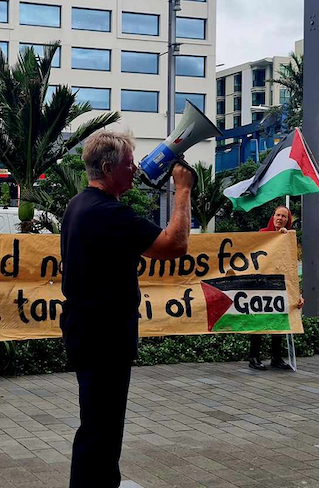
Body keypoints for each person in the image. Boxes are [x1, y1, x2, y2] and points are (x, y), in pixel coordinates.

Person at [61, 131, 193, 487]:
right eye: (129, 164)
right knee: (102, 434)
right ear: (107, 168)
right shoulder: (109, 213)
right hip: (105, 337)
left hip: (85, 332)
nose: (135, 170)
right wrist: (182, 190)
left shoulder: (78, 206)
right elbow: (175, 245)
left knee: (96, 427)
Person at [248, 205, 304, 370]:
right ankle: (254, 357)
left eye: (283, 216)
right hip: (261, 286)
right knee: (258, 321)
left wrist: (297, 294)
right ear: (273, 217)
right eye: (277, 215)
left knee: (279, 321)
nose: (280, 218)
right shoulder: (262, 234)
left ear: (288, 221)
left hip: (279, 286)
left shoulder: (290, 239)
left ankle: (276, 358)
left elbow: (291, 269)